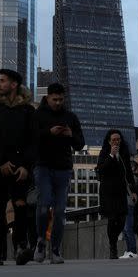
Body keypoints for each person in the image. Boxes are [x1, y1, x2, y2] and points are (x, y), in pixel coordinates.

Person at [0, 68, 37, 266]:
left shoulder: (28, 111)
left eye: (3, 81)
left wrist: (26, 166)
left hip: (21, 168)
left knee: (21, 205)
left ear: (14, 85)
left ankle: (21, 245)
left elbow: (33, 142)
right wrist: (0, 161)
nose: (0, 84)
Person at [32, 82, 85, 264]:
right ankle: (40, 240)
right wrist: (49, 132)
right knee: (44, 205)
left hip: (63, 168)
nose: (57, 103)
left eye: (61, 99)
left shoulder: (71, 117)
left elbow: (80, 144)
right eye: (54, 99)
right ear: (47, 98)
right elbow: (30, 138)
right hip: (43, 166)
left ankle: (55, 249)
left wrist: (70, 134)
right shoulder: (38, 115)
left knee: (61, 211)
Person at [96, 129, 136, 260]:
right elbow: (101, 170)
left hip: (120, 191)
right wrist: (111, 156)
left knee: (122, 219)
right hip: (108, 192)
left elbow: (129, 173)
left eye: (118, 139)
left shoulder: (124, 154)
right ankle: (113, 245)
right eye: (113, 140)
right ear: (109, 141)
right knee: (112, 219)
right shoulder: (104, 153)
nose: (116, 142)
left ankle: (113, 239)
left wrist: (133, 191)